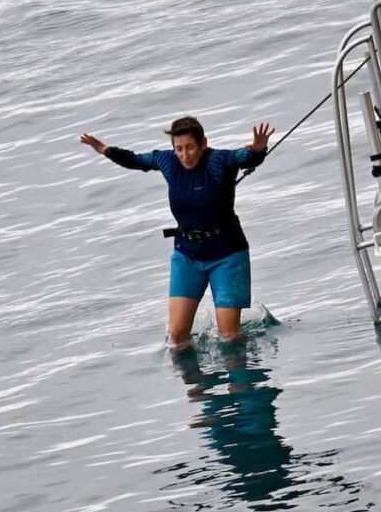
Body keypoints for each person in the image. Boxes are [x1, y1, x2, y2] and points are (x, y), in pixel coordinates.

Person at [79, 116, 274, 346]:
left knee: (229, 337)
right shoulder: (168, 161)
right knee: (177, 339)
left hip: (228, 255)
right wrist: (105, 150)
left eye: (190, 147)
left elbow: (244, 156)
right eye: (179, 149)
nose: (184, 154)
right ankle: (196, 382)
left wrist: (259, 150)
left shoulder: (219, 161)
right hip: (187, 256)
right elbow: (136, 160)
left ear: (203, 144)